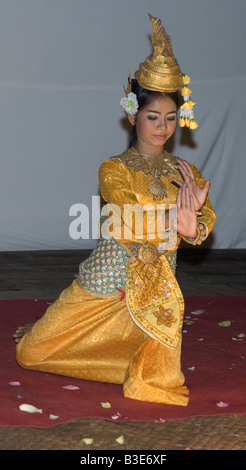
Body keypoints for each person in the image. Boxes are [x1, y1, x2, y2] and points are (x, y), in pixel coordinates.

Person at [15, 14, 216, 406]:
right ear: (132, 115)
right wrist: (174, 219)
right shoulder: (115, 168)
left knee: (156, 369)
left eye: (171, 118)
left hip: (155, 287)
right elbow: (122, 215)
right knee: (30, 354)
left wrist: (193, 227)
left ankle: (139, 359)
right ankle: (110, 353)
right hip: (107, 279)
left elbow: (202, 217)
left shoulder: (184, 172)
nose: (163, 127)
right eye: (153, 117)